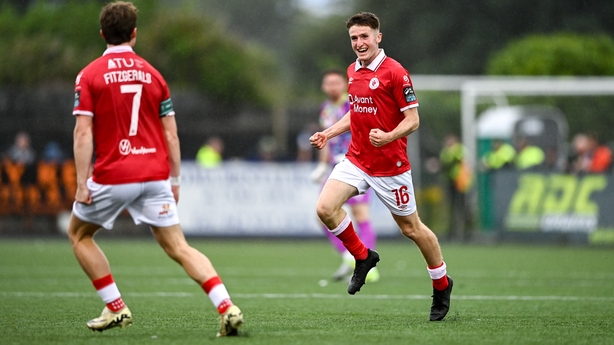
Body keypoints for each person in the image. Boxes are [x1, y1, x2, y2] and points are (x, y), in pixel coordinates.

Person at [67, 2, 242, 336]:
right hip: (155, 174)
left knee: (78, 235)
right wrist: (174, 179)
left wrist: (81, 182)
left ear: (103, 34)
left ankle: (115, 307)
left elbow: (83, 132)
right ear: (134, 34)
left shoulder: (89, 75)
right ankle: (227, 306)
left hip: (113, 174)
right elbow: (171, 134)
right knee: (179, 247)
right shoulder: (153, 74)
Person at [309, 12, 452, 321]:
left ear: (378, 37)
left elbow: (412, 120)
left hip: (391, 167)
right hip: (357, 159)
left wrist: (388, 136)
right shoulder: (352, 71)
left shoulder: (396, 73)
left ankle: (441, 284)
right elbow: (357, 113)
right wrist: (328, 132)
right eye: (354, 38)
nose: (359, 43)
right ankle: (363, 257)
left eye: (364, 36)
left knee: (411, 229)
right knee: (324, 208)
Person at [310, 70, 379, 282]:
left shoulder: (353, 104)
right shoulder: (325, 109)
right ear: (323, 87)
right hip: (334, 167)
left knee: (360, 214)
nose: (332, 87)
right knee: (322, 214)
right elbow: (326, 139)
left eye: (336, 82)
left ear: (345, 85)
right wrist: (322, 165)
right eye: (328, 83)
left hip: (356, 163)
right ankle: (350, 256)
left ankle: (369, 266)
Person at [439, 134, 472, 241]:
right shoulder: (446, 151)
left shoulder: (458, 149)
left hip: (460, 182)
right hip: (451, 182)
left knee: (462, 208)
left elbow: (453, 163)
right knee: (452, 208)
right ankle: (453, 233)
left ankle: (467, 233)